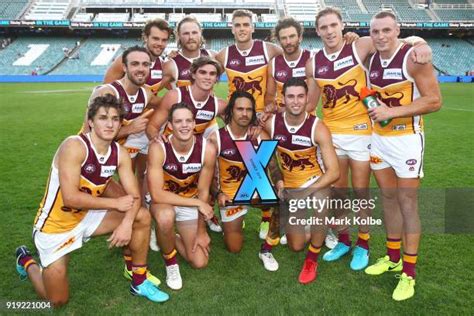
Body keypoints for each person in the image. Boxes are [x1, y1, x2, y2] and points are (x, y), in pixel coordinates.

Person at [305, 7, 433, 271]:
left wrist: (420, 42)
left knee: (361, 192)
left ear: (342, 26)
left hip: (364, 132)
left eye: (333, 25)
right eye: (323, 27)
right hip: (333, 135)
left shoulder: (360, 46)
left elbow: (392, 41)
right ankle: (343, 240)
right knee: (340, 193)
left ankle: (363, 244)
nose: (329, 31)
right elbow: (310, 104)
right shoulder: (313, 62)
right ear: (317, 31)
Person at [15, 95, 169, 306]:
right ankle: (26, 261)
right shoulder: (74, 146)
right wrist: (115, 204)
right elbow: (71, 198)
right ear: (90, 121)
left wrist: (125, 223)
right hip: (55, 227)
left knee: (140, 216)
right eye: (103, 118)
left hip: (87, 217)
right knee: (55, 301)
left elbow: (133, 197)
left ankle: (139, 281)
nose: (110, 123)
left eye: (115, 119)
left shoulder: (119, 153)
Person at [363, 11, 441, 301]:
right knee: (388, 199)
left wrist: (420, 42)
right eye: (375, 32)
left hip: (407, 142)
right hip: (379, 140)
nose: (381, 36)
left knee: (408, 203)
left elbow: (434, 101)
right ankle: (392, 257)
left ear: (397, 30)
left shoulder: (412, 57)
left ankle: (409, 272)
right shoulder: (371, 58)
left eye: (386, 30)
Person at [84, 46, 163, 277]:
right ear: (125, 67)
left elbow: (161, 104)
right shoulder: (108, 92)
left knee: (134, 208)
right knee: (132, 209)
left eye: (145, 64)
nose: (141, 68)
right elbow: (86, 137)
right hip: (90, 166)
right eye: (135, 64)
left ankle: (131, 263)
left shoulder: (145, 94)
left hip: (113, 161)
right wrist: (129, 128)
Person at [263, 78, 340, 284]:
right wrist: (279, 181)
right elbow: (266, 156)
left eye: (300, 96)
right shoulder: (271, 124)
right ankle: (322, 229)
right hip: (291, 187)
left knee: (320, 202)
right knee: (295, 245)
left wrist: (303, 194)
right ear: (283, 99)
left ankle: (312, 258)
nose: (295, 101)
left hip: (316, 182)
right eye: (290, 96)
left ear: (307, 99)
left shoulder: (318, 127)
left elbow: (333, 172)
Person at [215, 9, 282, 239]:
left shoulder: (268, 49)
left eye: (246, 24)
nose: (242, 28)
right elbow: (202, 73)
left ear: (253, 27)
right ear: (232, 28)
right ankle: (227, 205)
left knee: (269, 161)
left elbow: (294, 59)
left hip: (262, 116)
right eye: (238, 25)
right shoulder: (224, 55)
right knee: (227, 159)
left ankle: (268, 214)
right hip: (238, 117)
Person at [147, 56, 226, 233]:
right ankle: (156, 225)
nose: (207, 77)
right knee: (154, 190)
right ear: (193, 74)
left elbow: (239, 121)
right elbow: (152, 126)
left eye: (212, 74)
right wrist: (155, 139)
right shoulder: (175, 95)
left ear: (216, 79)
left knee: (212, 167)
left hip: (193, 152)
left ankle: (205, 215)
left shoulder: (218, 105)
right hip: (168, 152)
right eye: (203, 72)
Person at [147, 102, 217, 290]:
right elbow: (156, 194)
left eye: (188, 120)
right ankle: (171, 263)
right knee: (165, 217)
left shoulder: (207, 149)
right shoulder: (158, 147)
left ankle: (166, 234)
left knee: (199, 261)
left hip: (190, 201)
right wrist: (195, 203)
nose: (184, 125)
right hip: (164, 201)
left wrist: (202, 231)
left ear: (194, 123)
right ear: (170, 125)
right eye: (178, 121)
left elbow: (203, 192)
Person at [207, 91, 280, 271]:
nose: (244, 114)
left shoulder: (259, 135)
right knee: (234, 247)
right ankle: (232, 222)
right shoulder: (216, 138)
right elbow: (206, 176)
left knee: (283, 199)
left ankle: (267, 245)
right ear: (231, 110)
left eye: (249, 110)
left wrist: (279, 183)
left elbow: (273, 167)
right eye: (240, 109)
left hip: (256, 189)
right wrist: (218, 193)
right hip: (232, 196)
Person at [104, 18, 173, 95]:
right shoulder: (126, 59)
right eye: (155, 39)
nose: (160, 43)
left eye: (164, 40)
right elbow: (105, 91)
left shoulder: (163, 66)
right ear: (145, 38)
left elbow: (176, 89)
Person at [161, 15, 216, 89]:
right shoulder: (171, 64)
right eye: (186, 33)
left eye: (194, 32)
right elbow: (149, 91)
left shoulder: (213, 57)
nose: (191, 37)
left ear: (200, 34)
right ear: (178, 36)